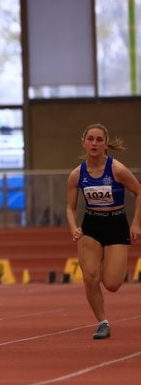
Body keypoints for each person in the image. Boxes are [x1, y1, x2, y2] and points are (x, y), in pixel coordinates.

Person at [65, 123, 141, 340]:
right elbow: (70, 207)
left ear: (106, 144)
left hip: (116, 224)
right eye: (90, 139)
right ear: (83, 142)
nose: (94, 143)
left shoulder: (116, 169)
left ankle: (105, 260)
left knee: (112, 284)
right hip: (92, 225)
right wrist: (74, 227)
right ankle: (102, 322)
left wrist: (136, 224)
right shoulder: (77, 174)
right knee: (90, 277)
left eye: (99, 140)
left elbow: (139, 192)